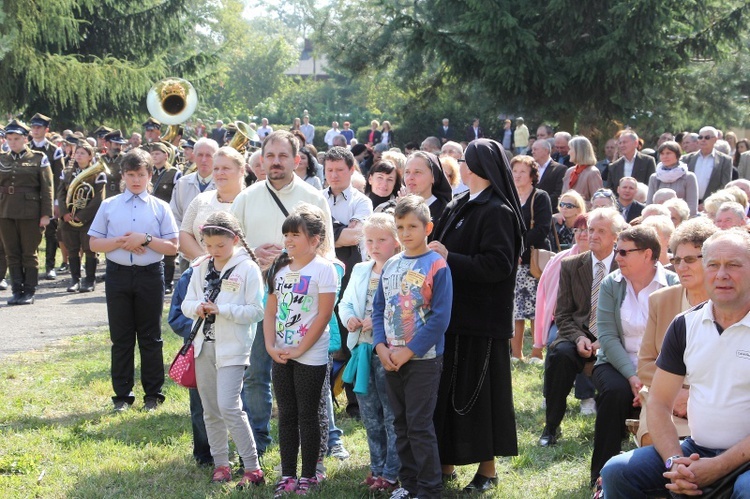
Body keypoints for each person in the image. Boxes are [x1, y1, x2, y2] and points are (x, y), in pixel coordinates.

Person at [600, 229, 750, 498]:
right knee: (617, 471)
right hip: (697, 449)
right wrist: (674, 463)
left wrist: (716, 467)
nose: (722, 274)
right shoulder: (685, 324)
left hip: (745, 459)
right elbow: (658, 403)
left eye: (734, 265)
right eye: (713, 265)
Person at [230, 130, 334, 459]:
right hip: (257, 301)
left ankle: (322, 439)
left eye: (283, 156)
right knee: (258, 371)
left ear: (297, 160)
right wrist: (252, 255)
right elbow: (228, 251)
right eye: (270, 156)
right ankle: (259, 439)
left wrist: (295, 264)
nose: (275, 162)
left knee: (310, 376)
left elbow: (327, 251)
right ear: (261, 160)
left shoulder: (313, 198)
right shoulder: (245, 198)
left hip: (303, 305)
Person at [429, 138, 524, 493]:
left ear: (479, 166)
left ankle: (487, 471)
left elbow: (498, 265)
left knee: (480, 398)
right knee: (447, 394)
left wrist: (448, 256)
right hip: (452, 316)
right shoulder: (460, 203)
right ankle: (445, 463)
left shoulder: (497, 210)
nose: (460, 165)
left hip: (482, 321)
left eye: (465, 161)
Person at [373, 195, 453, 499]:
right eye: (400, 227)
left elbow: (440, 317)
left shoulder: (437, 265)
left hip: (423, 360)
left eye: (412, 226)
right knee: (401, 424)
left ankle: (430, 490)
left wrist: (410, 350)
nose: (406, 233)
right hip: (391, 359)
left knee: (419, 426)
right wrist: (380, 346)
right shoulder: (391, 264)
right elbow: (379, 308)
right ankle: (409, 485)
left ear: (427, 227)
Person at [88, 149, 179, 412]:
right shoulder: (109, 205)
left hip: (150, 274)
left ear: (150, 175)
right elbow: (95, 242)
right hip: (118, 274)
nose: (136, 180)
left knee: (151, 337)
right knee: (122, 337)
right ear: (123, 175)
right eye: (131, 174)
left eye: (141, 174)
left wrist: (146, 239)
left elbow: (172, 247)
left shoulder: (160, 207)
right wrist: (122, 241)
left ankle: (153, 395)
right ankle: (122, 396)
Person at [590, 225, 679, 487]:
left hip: (662, 368)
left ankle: (665, 475)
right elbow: (606, 336)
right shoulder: (611, 283)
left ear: (647, 254)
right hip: (617, 364)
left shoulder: (673, 284)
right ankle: (601, 477)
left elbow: (676, 340)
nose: (617, 257)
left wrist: (649, 379)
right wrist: (631, 376)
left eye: (624, 252)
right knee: (615, 394)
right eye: (618, 250)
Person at [182, 212, 265, 489]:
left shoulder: (248, 269)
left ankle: (252, 467)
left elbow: (256, 311)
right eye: (209, 245)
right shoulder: (200, 266)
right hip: (203, 347)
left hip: (233, 348)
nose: (214, 251)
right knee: (210, 409)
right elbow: (186, 304)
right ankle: (221, 464)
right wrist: (198, 308)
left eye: (220, 246)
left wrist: (223, 310)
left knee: (230, 406)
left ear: (235, 240)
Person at [264, 204, 337, 497]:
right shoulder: (279, 269)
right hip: (280, 354)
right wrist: (271, 346)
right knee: (286, 415)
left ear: (315, 239)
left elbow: (323, 315)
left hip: (310, 355)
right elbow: (270, 312)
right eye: (286, 235)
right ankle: (287, 474)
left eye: (295, 234)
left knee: (307, 415)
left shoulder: (324, 269)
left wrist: (300, 349)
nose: (289, 240)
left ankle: (308, 475)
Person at [539, 208, 626, 447]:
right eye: (590, 230)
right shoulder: (571, 265)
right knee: (560, 354)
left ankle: (622, 427)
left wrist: (606, 339)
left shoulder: (626, 266)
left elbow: (631, 314)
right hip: (579, 332)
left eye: (601, 231)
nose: (592, 236)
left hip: (616, 334)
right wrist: (578, 338)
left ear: (616, 236)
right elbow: (564, 314)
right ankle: (551, 426)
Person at [635, 218, 717, 447]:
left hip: (714, 401)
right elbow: (645, 364)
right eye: (676, 259)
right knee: (655, 439)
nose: (681, 267)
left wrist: (695, 397)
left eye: (690, 259)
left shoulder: (729, 304)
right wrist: (676, 392)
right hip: (665, 400)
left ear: (711, 259)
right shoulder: (661, 301)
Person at [339, 213, 402, 494]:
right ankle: (376, 468)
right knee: (370, 415)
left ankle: (392, 472)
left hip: (388, 352)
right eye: (369, 240)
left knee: (391, 414)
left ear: (396, 242)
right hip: (362, 350)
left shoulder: (401, 269)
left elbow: (405, 311)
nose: (374, 246)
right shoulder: (361, 270)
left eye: (381, 240)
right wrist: (350, 317)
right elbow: (345, 303)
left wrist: (380, 323)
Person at [0, 120, 53, 305]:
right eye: (9, 139)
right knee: (11, 252)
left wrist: (46, 214)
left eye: (16, 138)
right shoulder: (2, 159)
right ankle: (17, 290)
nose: (12, 142)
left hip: (30, 212)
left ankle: (29, 290)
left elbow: (47, 188)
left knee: (29, 253)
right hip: (5, 211)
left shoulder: (38, 158)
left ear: (25, 139)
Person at [510, 155, 552, 361]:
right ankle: (515, 353)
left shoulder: (540, 196)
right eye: (514, 171)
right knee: (516, 308)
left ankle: (537, 351)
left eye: (522, 172)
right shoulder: (508, 196)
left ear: (532, 175)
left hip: (535, 260)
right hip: (513, 261)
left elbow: (542, 229)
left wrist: (520, 250)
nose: (517, 176)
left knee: (537, 307)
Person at [533, 213, 589, 361]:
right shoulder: (560, 260)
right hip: (564, 320)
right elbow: (545, 295)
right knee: (555, 343)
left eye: (587, 230)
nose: (582, 234)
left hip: (593, 322)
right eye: (578, 230)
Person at [180, 147, 247, 262]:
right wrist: (206, 261)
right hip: (201, 271)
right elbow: (184, 233)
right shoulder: (201, 199)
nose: (220, 173)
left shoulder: (251, 201)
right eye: (216, 169)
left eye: (226, 168)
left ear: (241, 170)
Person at [58, 141, 106, 292]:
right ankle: (74, 279)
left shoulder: (98, 173)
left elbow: (98, 198)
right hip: (68, 218)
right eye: (76, 153)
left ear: (90, 156)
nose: (78, 155)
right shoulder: (67, 172)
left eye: (82, 153)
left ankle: (90, 279)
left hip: (88, 219)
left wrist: (81, 216)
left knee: (89, 248)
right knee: (72, 248)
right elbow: (61, 194)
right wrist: (65, 212)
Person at [28, 113, 65, 281]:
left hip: (48, 199)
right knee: (29, 233)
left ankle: (50, 266)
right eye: (33, 127)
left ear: (46, 130)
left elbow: (59, 177)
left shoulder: (54, 150)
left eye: (39, 127)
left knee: (51, 234)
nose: (35, 130)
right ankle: (28, 266)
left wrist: (57, 202)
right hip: (28, 199)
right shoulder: (25, 148)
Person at [149, 141, 182, 294]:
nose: (154, 156)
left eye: (158, 153)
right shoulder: (148, 171)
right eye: (153, 154)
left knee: (169, 250)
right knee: (152, 247)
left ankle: (168, 282)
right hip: (150, 215)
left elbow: (177, 195)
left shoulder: (174, 173)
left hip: (167, 214)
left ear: (166, 155)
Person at [646, 140, 699, 217]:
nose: (665, 156)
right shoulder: (655, 177)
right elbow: (649, 204)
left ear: (677, 155)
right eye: (662, 154)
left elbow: (692, 206)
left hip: (681, 220)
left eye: (668, 153)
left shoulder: (688, 177)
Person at [402, 151, 452, 222]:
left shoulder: (445, 212)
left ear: (433, 177)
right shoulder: (395, 206)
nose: (410, 177)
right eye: (407, 172)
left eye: (417, 172)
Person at [562, 136, 603, 208]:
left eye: (571, 149)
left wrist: (576, 206)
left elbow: (598, 202)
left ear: (579, 151)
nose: (568, 153)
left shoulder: (592, 172)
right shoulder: (569, 171)